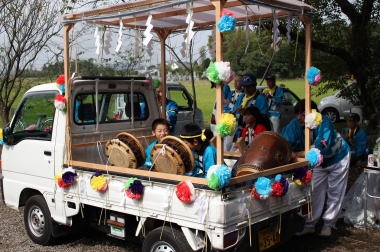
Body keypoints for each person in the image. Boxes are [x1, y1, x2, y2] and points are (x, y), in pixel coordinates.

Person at [297, 111, 351, 237]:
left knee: (335, 191)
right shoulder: (299, 125)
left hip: (339, 157)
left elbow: (323, 147)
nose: (299, 119)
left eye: (301, 116)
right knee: (315, 190)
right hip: (320, 163)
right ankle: (310, 224)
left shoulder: (324, 123)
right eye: (298, 116)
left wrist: (301, 153)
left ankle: (329, 224)